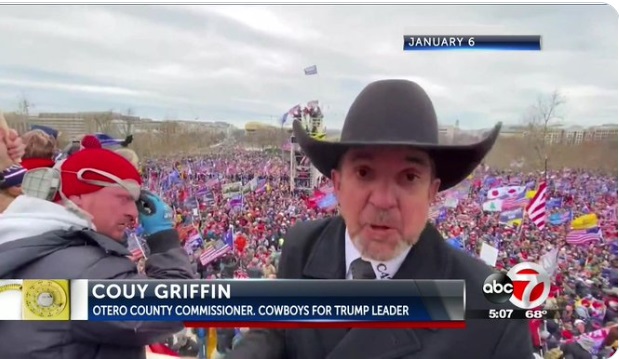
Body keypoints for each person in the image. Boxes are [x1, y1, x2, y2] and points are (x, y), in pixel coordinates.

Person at [228, 79, 532, 358]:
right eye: (364, 173)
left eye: (409, 177)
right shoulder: (303, 246)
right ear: (337, 184)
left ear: (432, 192)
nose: (383, 200)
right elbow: (273, 334)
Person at [0, 147, 196, 358]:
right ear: (79, 195)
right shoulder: (81, 270)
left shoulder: (30, 248)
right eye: (124, 197)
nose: (133, 213)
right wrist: (164, 239)